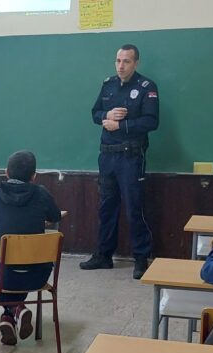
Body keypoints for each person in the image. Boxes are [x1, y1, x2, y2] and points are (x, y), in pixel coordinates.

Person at [80, 43, 160, 279]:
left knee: (134, 207)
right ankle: (103, 255)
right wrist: (106, 115)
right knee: (106, 207)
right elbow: (94, 113)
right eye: (118, 61)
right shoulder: (108, 84)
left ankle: (141, 258)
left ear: (136, 63)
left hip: (131, 157)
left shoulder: (146, 87)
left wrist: (121, 125)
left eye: (126, 61)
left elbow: (152, 121)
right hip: (107, 156)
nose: (121, 66)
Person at [0, 151, 63, 347]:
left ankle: (14, 309)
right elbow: (55, 216)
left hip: (5, 277)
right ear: (34, 176)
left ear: (6, 172)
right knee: (19, 271)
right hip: (38, 276)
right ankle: (13, 313)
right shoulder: (41, 193)